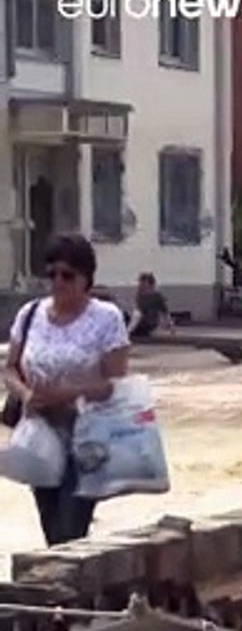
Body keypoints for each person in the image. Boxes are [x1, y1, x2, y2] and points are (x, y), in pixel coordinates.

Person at [4, 234, 129, 546]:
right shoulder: (30, 314)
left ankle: (77, 592)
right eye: (52, 274)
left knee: (69, 531)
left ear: (86, 278)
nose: (58, 282)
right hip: (39, 434)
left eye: (67, 275)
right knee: (52, 530)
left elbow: (115, 385)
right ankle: (76, 594)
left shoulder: (106, 318)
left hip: (87, 436)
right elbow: (10, 368)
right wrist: (26, 394)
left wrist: (65, 394)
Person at [127, 272, 175, 339]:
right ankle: (129, 331)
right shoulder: (139, 294)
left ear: (147, 283)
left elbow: (165, 312)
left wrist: (171, 327)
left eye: (142, 282)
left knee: (137, 313)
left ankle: (128, 332)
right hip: (140, 323)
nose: (140, 284)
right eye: (140, 282)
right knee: (132, 314)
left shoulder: (156, 296)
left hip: (149, 323)